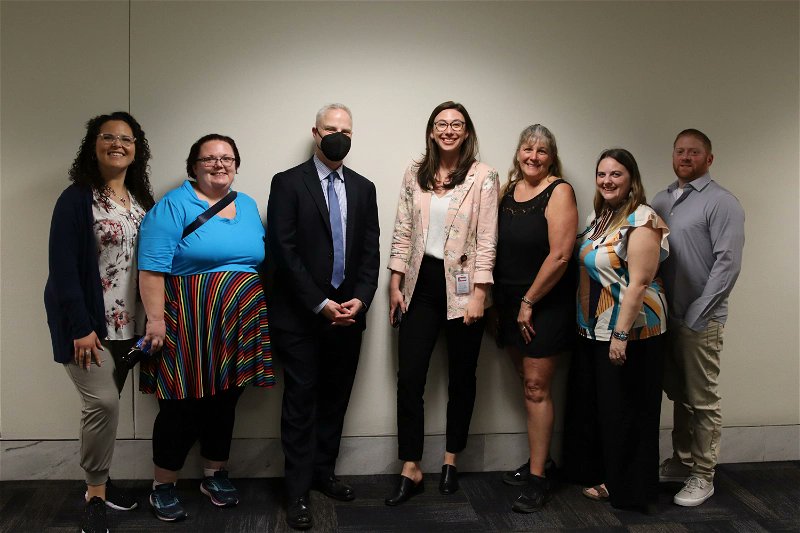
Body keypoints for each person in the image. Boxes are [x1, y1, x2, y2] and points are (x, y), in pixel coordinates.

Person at [137, 134, 275, 522]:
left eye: (227, 158)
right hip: (187, 322)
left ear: (236, 164)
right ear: (193, 165)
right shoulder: (173, 206)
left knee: (225, 400)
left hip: (239, 322)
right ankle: (162, 486)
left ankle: (214, 474)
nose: (219, 164)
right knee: (180, 406)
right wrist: (155, 320)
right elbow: (150, 269)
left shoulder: (246, 205)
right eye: (209, 158)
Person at [266, 103, 380, 530]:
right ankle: (296, 491)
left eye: (345, 130)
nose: (338, 135)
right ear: (315, 132)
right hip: (300, 317)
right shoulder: (288, 183)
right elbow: (284, 250)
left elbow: (371, 252)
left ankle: (323, 473)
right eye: (331, 128)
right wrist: (320, 303)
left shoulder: (365, 188)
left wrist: (361, 300)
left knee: (336, 397)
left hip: (349, 316)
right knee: (301, 402)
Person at [44, 111, 155, 533]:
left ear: (136, 149)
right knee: (103, 403)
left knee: (105, 409)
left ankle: (102, 481)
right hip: (88, 323)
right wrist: (79, 327)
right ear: (93, 145)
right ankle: (94, 493)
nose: (117, 144)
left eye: (126, 138)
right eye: (107, 136)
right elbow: (63, 269)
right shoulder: (76, 199)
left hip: (128, 326)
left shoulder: (141, 200)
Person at [385, 101, 498, 506]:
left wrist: (480, 294)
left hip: (465, 288)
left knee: (462, 377)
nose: (449, 130)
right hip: (420, 284)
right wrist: (395, 282)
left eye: (457, 124)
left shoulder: (483, 177)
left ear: (466, 132)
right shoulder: (415, 173)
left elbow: (487, 239)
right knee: (410, 378)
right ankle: (410, 466)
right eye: (441, 124)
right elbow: (402, 229)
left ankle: (451, 460)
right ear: (432, 132)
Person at [652, 129, 745, 507]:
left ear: (709, 159)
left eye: (694, 152)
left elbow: (728, 264)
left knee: (702, 399)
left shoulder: (723, 203)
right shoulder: (662, 199)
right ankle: (681, 461)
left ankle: (703, 475)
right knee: (680, 395)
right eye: (679, 151)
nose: (685, 157)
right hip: (666, 318)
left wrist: (696, 314)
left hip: (700, 320)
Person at [573, 148, 669, 511]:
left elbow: (639, 283)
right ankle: (613, 478)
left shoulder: (643, 220)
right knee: (611, 410)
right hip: (596, 328)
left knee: (631, 410)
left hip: (634, 332)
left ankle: (632, 490)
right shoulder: (601, 216)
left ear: (631, 179)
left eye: (616, 174)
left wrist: (621, 335)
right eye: (602, 174)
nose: (607, 181)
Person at [493, 125, 578, 512]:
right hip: (509, 303)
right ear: (518, 152)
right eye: (528, 148)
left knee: (536, 389)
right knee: (527, 384)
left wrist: (529, 301)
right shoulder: (507, 192)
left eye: (542, 151)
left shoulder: (559, 191)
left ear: (552, 156)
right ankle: (542, 460)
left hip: (543, 304)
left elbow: (560, 255)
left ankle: (539, 477)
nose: (534, 156)